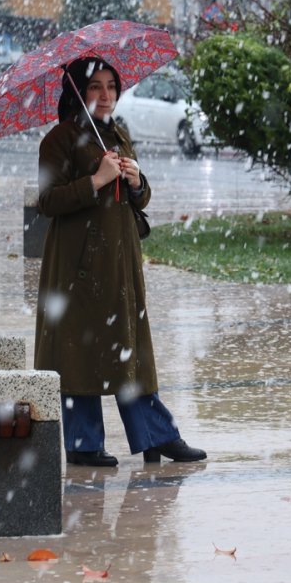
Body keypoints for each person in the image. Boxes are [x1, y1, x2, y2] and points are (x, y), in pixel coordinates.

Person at [35, 57, 206, 466]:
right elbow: (47, 201)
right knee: (78, 353)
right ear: (78, 90)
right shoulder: (58, 140)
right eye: (96, 86)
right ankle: (83, 445)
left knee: (130, 348)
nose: (106, 95)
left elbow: (139, 199)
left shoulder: (118, 135)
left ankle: (156, 436)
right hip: (77, 267)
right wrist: (95, 180)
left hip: (120, 262)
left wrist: (135, 181)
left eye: (112, 86)